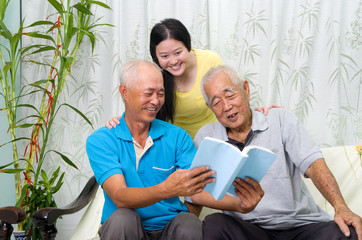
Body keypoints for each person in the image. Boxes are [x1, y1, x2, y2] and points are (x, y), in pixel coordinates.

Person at [190, 65, 362, 240]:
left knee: (348, 232)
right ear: (210, 107)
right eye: (216, 103)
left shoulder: (280, 119)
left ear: (245, 89)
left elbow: (314, 165)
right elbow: (193, 192)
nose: (226, 106)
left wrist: (341, 207)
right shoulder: (206, 137)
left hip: (300, 226)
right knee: (214, 224)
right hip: (248, 230)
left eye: (230, 95)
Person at [86, 60, 217, 240]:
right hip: (126, 227)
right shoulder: (102, 140)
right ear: (124, 92)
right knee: (122, 218)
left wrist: (240, 204)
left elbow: (198, 188)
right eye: (148, 93)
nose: (155, 101)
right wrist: (167, 188)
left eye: (161, 94)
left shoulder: (178, 136)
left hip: (170, 226)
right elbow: (119, 196)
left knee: (189, 222)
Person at [107, 18, 224, 139]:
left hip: (211, 137)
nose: (173, 61)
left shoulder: (210, 61)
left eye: (178, 53)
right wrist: (121, 122)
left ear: (188, 46)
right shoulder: (155, 74)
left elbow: (226, 101)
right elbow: (140, 104)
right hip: (175, 143)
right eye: (164, 56)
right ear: (155, 57)